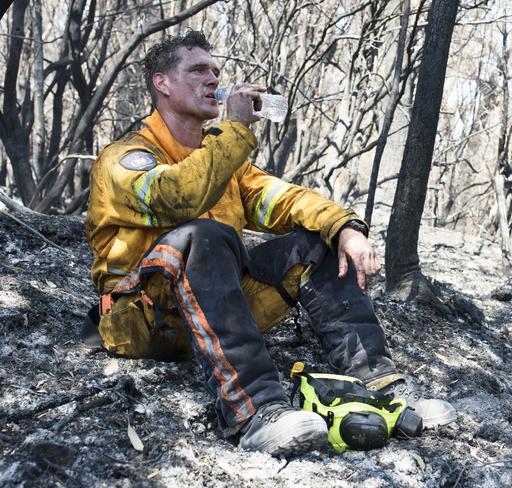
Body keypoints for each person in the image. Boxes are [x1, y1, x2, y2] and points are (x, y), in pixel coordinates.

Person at [85, 30, 455, 457]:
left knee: (315, 242)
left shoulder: (224, 162)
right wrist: (236, 126)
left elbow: (285, 198)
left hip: (212, 317)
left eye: (214, 71)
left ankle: (385, 391)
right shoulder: (122, 159)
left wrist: (346, 227)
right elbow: (178, 197)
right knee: (203, 236)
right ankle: (257, 413)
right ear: (162, 84)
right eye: (197, 70)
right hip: (145, 321)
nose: (212, 79)